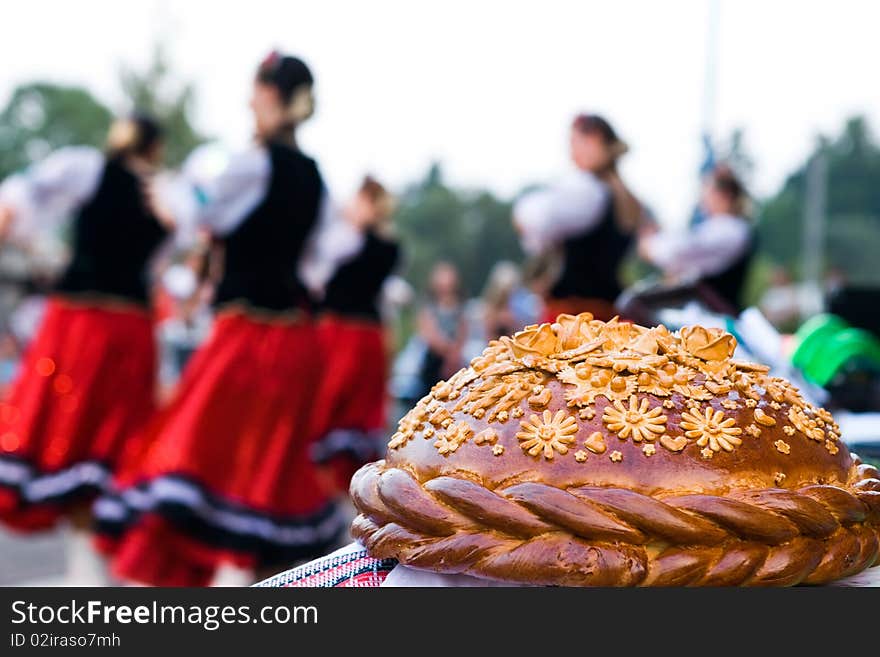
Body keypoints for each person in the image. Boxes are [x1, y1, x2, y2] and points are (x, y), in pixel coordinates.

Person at [94, 52, 347, 586]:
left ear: (272, 97)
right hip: (299, 341)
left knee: (197, 459)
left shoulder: (253, 163)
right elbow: (321, 262)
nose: (248, 102)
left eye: (255, 92)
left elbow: (199, 215)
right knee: (268, 478)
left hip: (249, 337)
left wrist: (169, 196)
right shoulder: (317, 178)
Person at [0, 115, 171, 531]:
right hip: (124, 326)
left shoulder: (91, 170)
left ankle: (89, 555)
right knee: (105, 446)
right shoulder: (163, 193)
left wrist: (16, 229)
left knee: (73, 436)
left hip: (85, 324)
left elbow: (21, 197)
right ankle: (91, 551)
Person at [309, 176, 401, 494]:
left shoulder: (355, 242)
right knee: (346, 403)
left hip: (344, 332)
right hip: (361, 333)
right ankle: (339, 478)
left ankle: (335, 478)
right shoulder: (380, 245)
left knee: (338, 400)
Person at [513, 114, 646, 322]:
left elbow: (535, 220)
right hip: (609, 312)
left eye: (574, 142)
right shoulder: (626, 197)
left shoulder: (587, 190)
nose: (571, 152)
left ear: (593, 141)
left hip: (573, 318)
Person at [638, 164, 754, 313]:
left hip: (717, 318)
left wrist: (651, 244)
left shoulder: (731, 229)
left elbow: (682, 251)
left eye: (708, 193)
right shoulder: (722, 228)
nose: (703, 201)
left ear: (724, 195)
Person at [416, 262, 467, 396]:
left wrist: (454, 353)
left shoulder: (459, 305)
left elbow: (463, 329)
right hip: (434, 361)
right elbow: (428, 333)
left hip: (454, 360)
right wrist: (448, 350)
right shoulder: (429, 305)